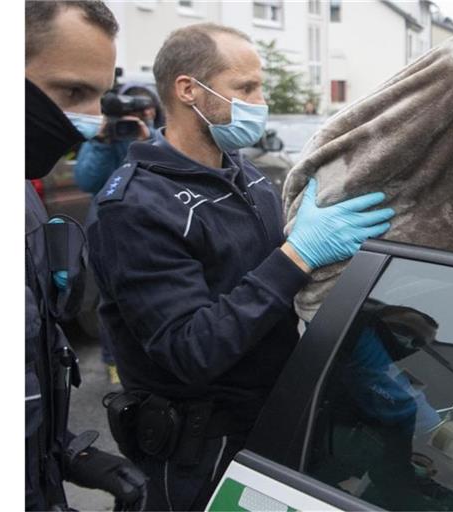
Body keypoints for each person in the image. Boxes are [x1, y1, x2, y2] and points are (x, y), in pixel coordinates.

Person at [85, 23, 395, 511]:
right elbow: (190, 349)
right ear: (189, 90)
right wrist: (297, 255)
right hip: (196, 453)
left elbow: (265, 282)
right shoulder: (136, 207)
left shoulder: (244, 174)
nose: (260, 100)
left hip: (266, 425)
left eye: (260, 86)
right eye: (245, 87)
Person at [25, 2, 148, 510]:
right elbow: (93, 176)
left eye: (101, 96)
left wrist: (64, 454)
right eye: (74, 92)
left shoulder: (21, 200)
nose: (93, 117)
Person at [72, 82, 164, 384]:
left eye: (145, 108)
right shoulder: (106, 137)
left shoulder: (162, 137)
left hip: (151, 227)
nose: (140, 114)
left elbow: (163, 175)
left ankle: (155, 357)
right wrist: (100, 142)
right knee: (111, 301)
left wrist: (147, 139)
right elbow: (87, 179)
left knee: (153, 294)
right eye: (134, 108)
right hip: (107, 228)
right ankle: (114, 361)